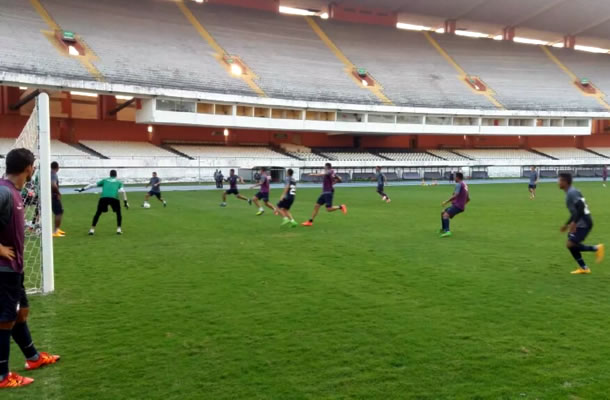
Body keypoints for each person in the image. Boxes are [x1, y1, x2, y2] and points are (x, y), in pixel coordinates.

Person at [0, 149, 60, 389]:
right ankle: (2, 376)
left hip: (15, 269)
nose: (34, 169)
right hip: (3, 269)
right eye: (33, 166)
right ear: (28, 168)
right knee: (5, 319)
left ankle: (33, 358)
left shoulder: (14, 191)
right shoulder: (4, 191)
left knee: (21, 312)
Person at [558, 173, 604, 274]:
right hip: (581, 221)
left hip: (584, 222)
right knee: (571, 244)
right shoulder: (570, 192)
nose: (558, 182)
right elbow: (575, 212)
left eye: (560, 180)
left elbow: (581, 207)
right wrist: (567, 224)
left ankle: (596, 248)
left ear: (565, 182)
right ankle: (584, 268)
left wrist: (574, 223)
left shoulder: (572, 193)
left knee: (570, 244)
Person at [77, 170, 129, 235]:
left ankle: (92, 230)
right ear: (116, 175)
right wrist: (125, 202)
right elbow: (123, 191)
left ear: (110, 175)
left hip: (104, 198)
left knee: (98, 213)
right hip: (114, 198)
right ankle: (118, 229)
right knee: (118, 213)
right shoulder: (119, 182)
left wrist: (82, 189)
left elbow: (92, 185)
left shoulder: (104, 180)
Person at [440, 172, 470, 238]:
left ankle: (447, 231)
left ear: (457, 177)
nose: (454, 178)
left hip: (458, 205)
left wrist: (446, 201)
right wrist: (463, 205)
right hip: (459, 205)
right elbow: (468, 198)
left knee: (445, 215)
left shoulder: (459, 184)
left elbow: (455, 195)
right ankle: (444, 229)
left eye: (454, 177)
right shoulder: (465, 184)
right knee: (443, 212)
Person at [50, 162, 65, 237]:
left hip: (49, 196)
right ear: (57, 167)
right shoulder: (53, 174)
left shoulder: (49, 173)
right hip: (54, 196)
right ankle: (56, 231)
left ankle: (57, 229)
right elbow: (53, 185)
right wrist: (58, 193)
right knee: (59, 212)